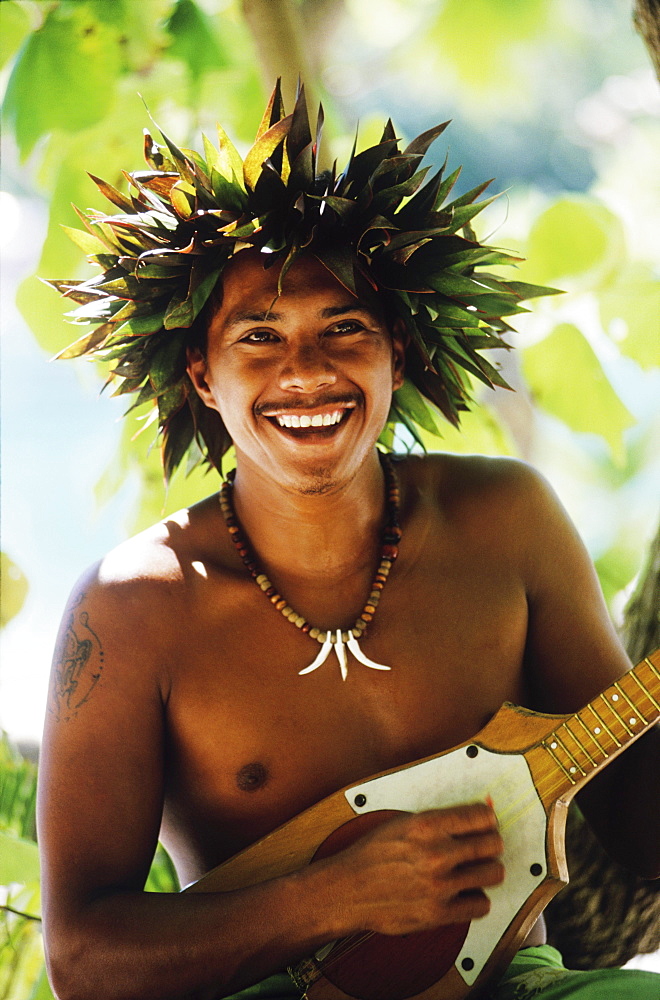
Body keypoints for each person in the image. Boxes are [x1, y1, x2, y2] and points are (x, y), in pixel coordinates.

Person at [38, 84, 659, 1000]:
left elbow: (639, 824)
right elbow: (84, 962)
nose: (308, 372)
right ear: (203, 376)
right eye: (260, 336)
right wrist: (327, 899)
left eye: (345, 328)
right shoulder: (133, 608)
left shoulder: (507, 519)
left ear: (396, 354)